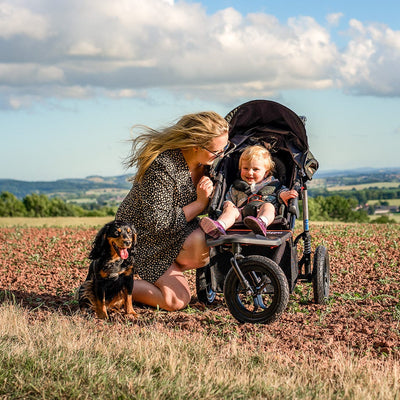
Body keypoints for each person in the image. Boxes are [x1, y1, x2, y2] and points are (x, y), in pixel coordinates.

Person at [115, 111, 230, 311]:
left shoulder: (207, 165)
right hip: (143, 240)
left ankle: (165, 275)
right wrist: (200, 204)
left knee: (203, 242)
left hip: (174, 233)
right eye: (217, 151)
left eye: (225, 148)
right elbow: (158, 223)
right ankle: (110, 288)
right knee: (176, 301)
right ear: (196, 144)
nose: (221, 155)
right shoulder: (162, 167)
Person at [200, 145, 298, 237]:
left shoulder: (273, 184)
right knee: (230, 210)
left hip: (265, 214)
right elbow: (229, 198)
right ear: (240, 169)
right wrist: (228, 204)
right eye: (245, 168)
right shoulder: (237, 186)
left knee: (269, 206)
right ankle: (219, 226)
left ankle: (261, 222)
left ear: (266, 173)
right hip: (241, 214)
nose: (250, 172)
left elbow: (281, 191)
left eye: (255, 169)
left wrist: (284, 195)